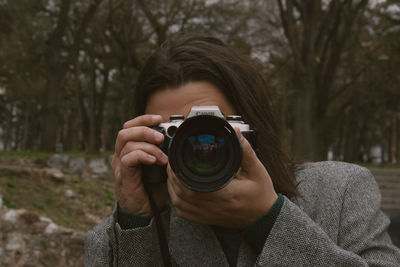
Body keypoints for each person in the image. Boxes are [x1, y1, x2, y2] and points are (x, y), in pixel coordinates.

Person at [84, 35, 400, 266]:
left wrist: (270, 220)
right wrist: (137, 222)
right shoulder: (129, 231)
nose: (196, 147)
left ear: (251, 124)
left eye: (210, 128)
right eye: (175, 134)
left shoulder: (340, 192)